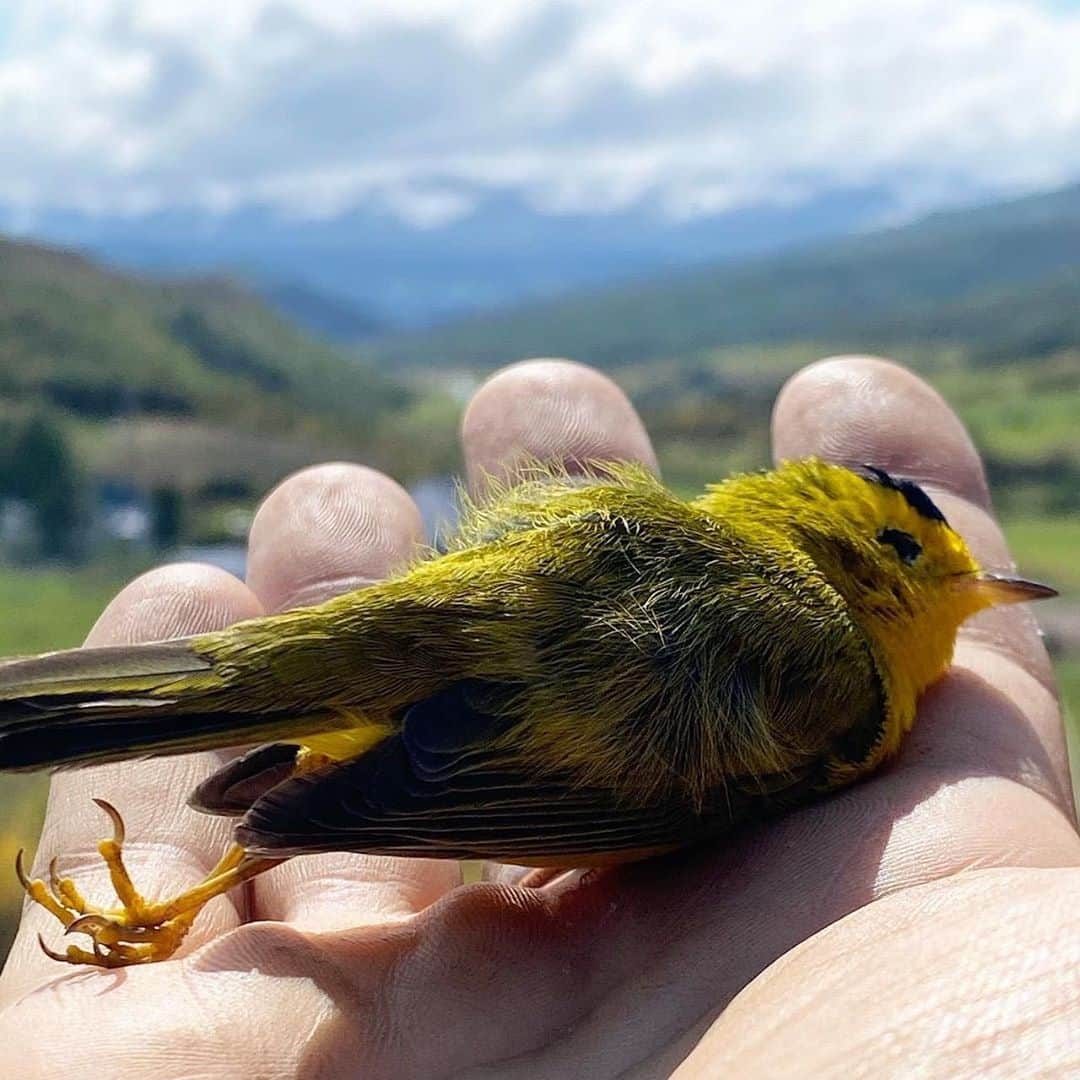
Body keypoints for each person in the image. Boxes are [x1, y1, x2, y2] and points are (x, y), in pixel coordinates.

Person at [0, 355, 1075, 1078]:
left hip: (450, 679)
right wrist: (338, 808)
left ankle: (158, 850)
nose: (969, 586)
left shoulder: (715, 558)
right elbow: (624, 793)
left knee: (254, 694)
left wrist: (324, 796)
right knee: (315, 746)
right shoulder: (842, 685)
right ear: (865, 565)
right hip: (505, 742)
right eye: (931, 566)